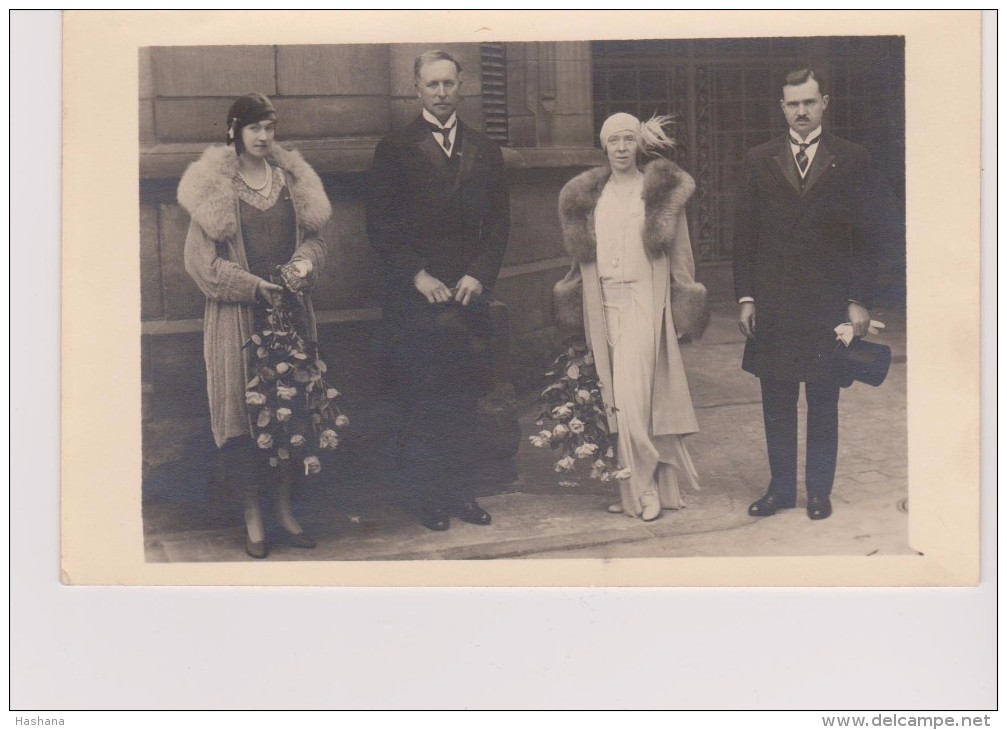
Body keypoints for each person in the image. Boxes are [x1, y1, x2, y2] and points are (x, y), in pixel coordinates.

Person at [178, 92, 332, 557]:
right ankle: (253, 517)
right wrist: (250, 285)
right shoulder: (214, 190)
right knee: (243, 415)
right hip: (238, 322)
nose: (264, 137)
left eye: (270, 127)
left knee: (292, 412)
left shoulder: (291, 182)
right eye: (254, 128)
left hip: (289, 315)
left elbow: (316, 243)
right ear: (235, 132)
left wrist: (303, 267)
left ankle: (285, 510)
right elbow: (199, 264)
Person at [366, 50, 510, 531]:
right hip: (418, 297)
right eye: (433, 85)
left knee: (464, 399)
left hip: (468, 295)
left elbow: (499, 225)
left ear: (462, 85)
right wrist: (418, 276)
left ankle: (461, 494)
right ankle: (428, 497)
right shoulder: (394, 147)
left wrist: (479, 275)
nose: (442, 93)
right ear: (417, 88)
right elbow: (381, 227)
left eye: (449, 83)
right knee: (423, 398)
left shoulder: (484, 148)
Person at [733, 68, 883, 521]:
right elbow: (745, 235)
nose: (801, 111)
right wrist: (746, 297)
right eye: (793, 104)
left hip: (827, 303)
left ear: (824, 103)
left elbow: (868, 235)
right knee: (776, 400)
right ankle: (780, 491)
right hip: (775, 303)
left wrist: (858, 298)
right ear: (782, 108)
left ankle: (819, 492)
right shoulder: (758, 159)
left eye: (809, 102)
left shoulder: (852, 159)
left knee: (822, 399)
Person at [555, 112, 708, 522]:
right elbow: (579, 262)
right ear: (603, 146)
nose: (621, 148)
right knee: (614, 404)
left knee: (633, 398)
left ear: (638, 144)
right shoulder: (589, 197)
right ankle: (632, 490)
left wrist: (681, 309)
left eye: (627, 139)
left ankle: (647, 490)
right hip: (602, 306)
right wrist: (571, 304)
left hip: (644, 302)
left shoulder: (657, 193)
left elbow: (681, 258)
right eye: (613, 141)